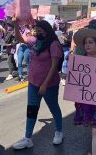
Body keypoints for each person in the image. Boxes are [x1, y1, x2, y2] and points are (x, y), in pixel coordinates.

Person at [12, 20, 63, 150]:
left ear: (47, 31)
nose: (38, 32)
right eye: (37, 30)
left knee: (54, 108)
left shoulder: (54, 44)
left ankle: (59, 132)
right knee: (32, 110)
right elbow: (19, 38)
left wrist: (45, 85)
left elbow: (54, 67)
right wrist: (16, 24)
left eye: (41, 30)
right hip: (33, 83)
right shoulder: (34, 41)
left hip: (49, 85)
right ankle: (28, 138)